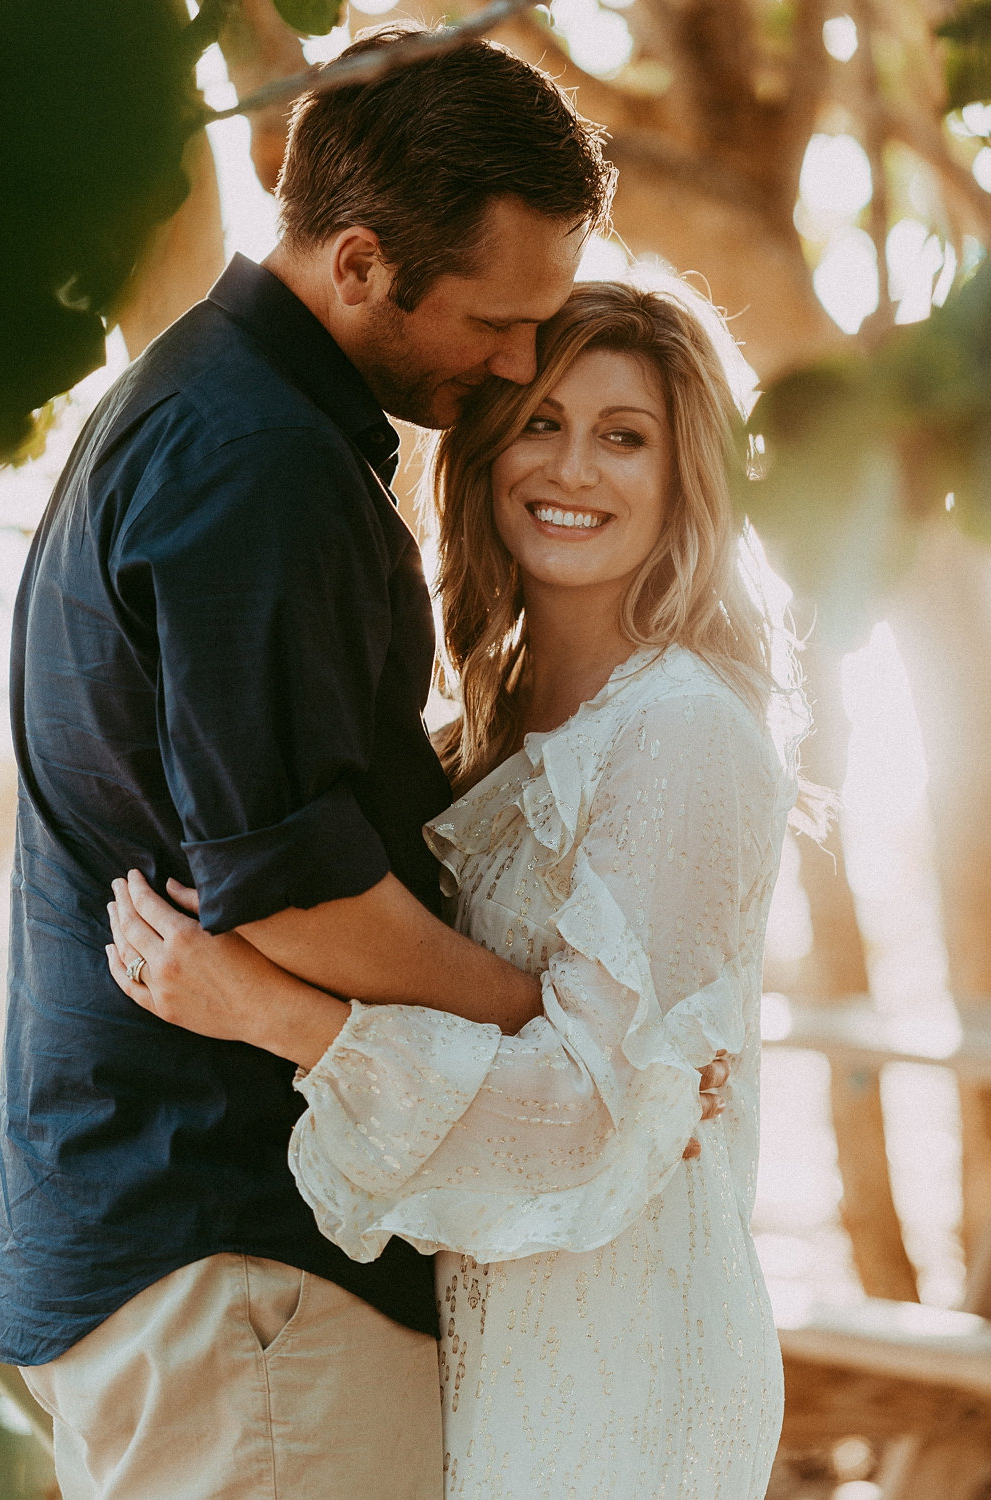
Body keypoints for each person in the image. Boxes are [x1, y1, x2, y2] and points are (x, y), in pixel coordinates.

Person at [0, 27, 621, 1500]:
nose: (522, 361)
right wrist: (570, 1030)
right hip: (241, 1264)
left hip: (190, 1255)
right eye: (498, 318)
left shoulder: (207, 412)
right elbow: (299, 904)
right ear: (355, 263)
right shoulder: (253, 468)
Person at [108, 279, 807, 1498]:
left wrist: (267, 1010)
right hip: (492, 1324)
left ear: (682, 474)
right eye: (539, 420)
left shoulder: (683, 730)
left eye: (622, 435)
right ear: (485, 451)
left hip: (626, 1343)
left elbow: (593, 1114)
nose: (572, 466)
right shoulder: (468, 738)